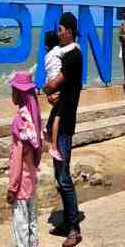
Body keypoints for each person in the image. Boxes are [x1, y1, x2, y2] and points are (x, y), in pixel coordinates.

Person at [43, 12, 84, 247]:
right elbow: (53, 91)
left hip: (66, 122)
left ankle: (74, 229)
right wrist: (49, 94)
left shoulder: (74, 57)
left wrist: (46, 88)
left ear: (68, 30)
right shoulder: (66, 55)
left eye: (60, 29)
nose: (58, 33)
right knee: (59, 176)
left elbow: (54, 84)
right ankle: (68, 221)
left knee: (64, 178)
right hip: (58, 118)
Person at [4, 71, 45, 247]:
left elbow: (16, 159)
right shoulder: (33, 119)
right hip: (32, 181)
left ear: (19, 94)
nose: (11, 93)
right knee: (32, 225)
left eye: (12, 90)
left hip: (20, 186)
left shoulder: (20, 121)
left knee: (21, 230)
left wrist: (11, 187)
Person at [43, 29, 77, 161]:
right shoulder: (58, 50)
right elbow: (70, 48)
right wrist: (75, 45)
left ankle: (47, 129)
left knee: (56, 110)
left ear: (46, 46)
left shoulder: (47, 56)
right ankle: (54, 146)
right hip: (57, 85)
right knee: (59, 114)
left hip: (50, 83)